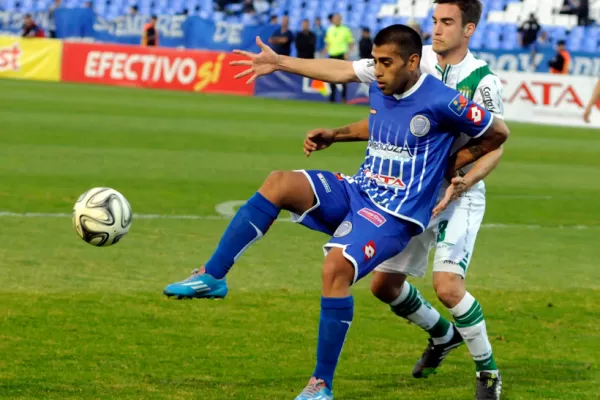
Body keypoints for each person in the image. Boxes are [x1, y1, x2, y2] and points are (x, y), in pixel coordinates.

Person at [165, 24, 509, 400]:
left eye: (386, 63)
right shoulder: (383, 84)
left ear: (413, 62)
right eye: (375, 61)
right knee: (279, 182)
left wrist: (453, 162)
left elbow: (497, 133)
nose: (377, 71)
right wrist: (329, 124)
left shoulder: (444, 100)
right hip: (359, 189)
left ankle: (320, 385)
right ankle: (213, 276)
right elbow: (356, 91)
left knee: (336, 266)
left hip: (394, 213)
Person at [324, 14, 353, 102]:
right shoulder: (329, 29)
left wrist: (347, 53)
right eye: (334, 19)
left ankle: (343, 98)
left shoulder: (346, 29)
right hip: (332, 55)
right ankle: (332, 97)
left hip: (341, 55)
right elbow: (327, 43)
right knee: (330, 77)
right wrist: (325, 52)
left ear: (340, 20)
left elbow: (351, 43)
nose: (336, 20)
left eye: (337, 19)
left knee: (344, 77)